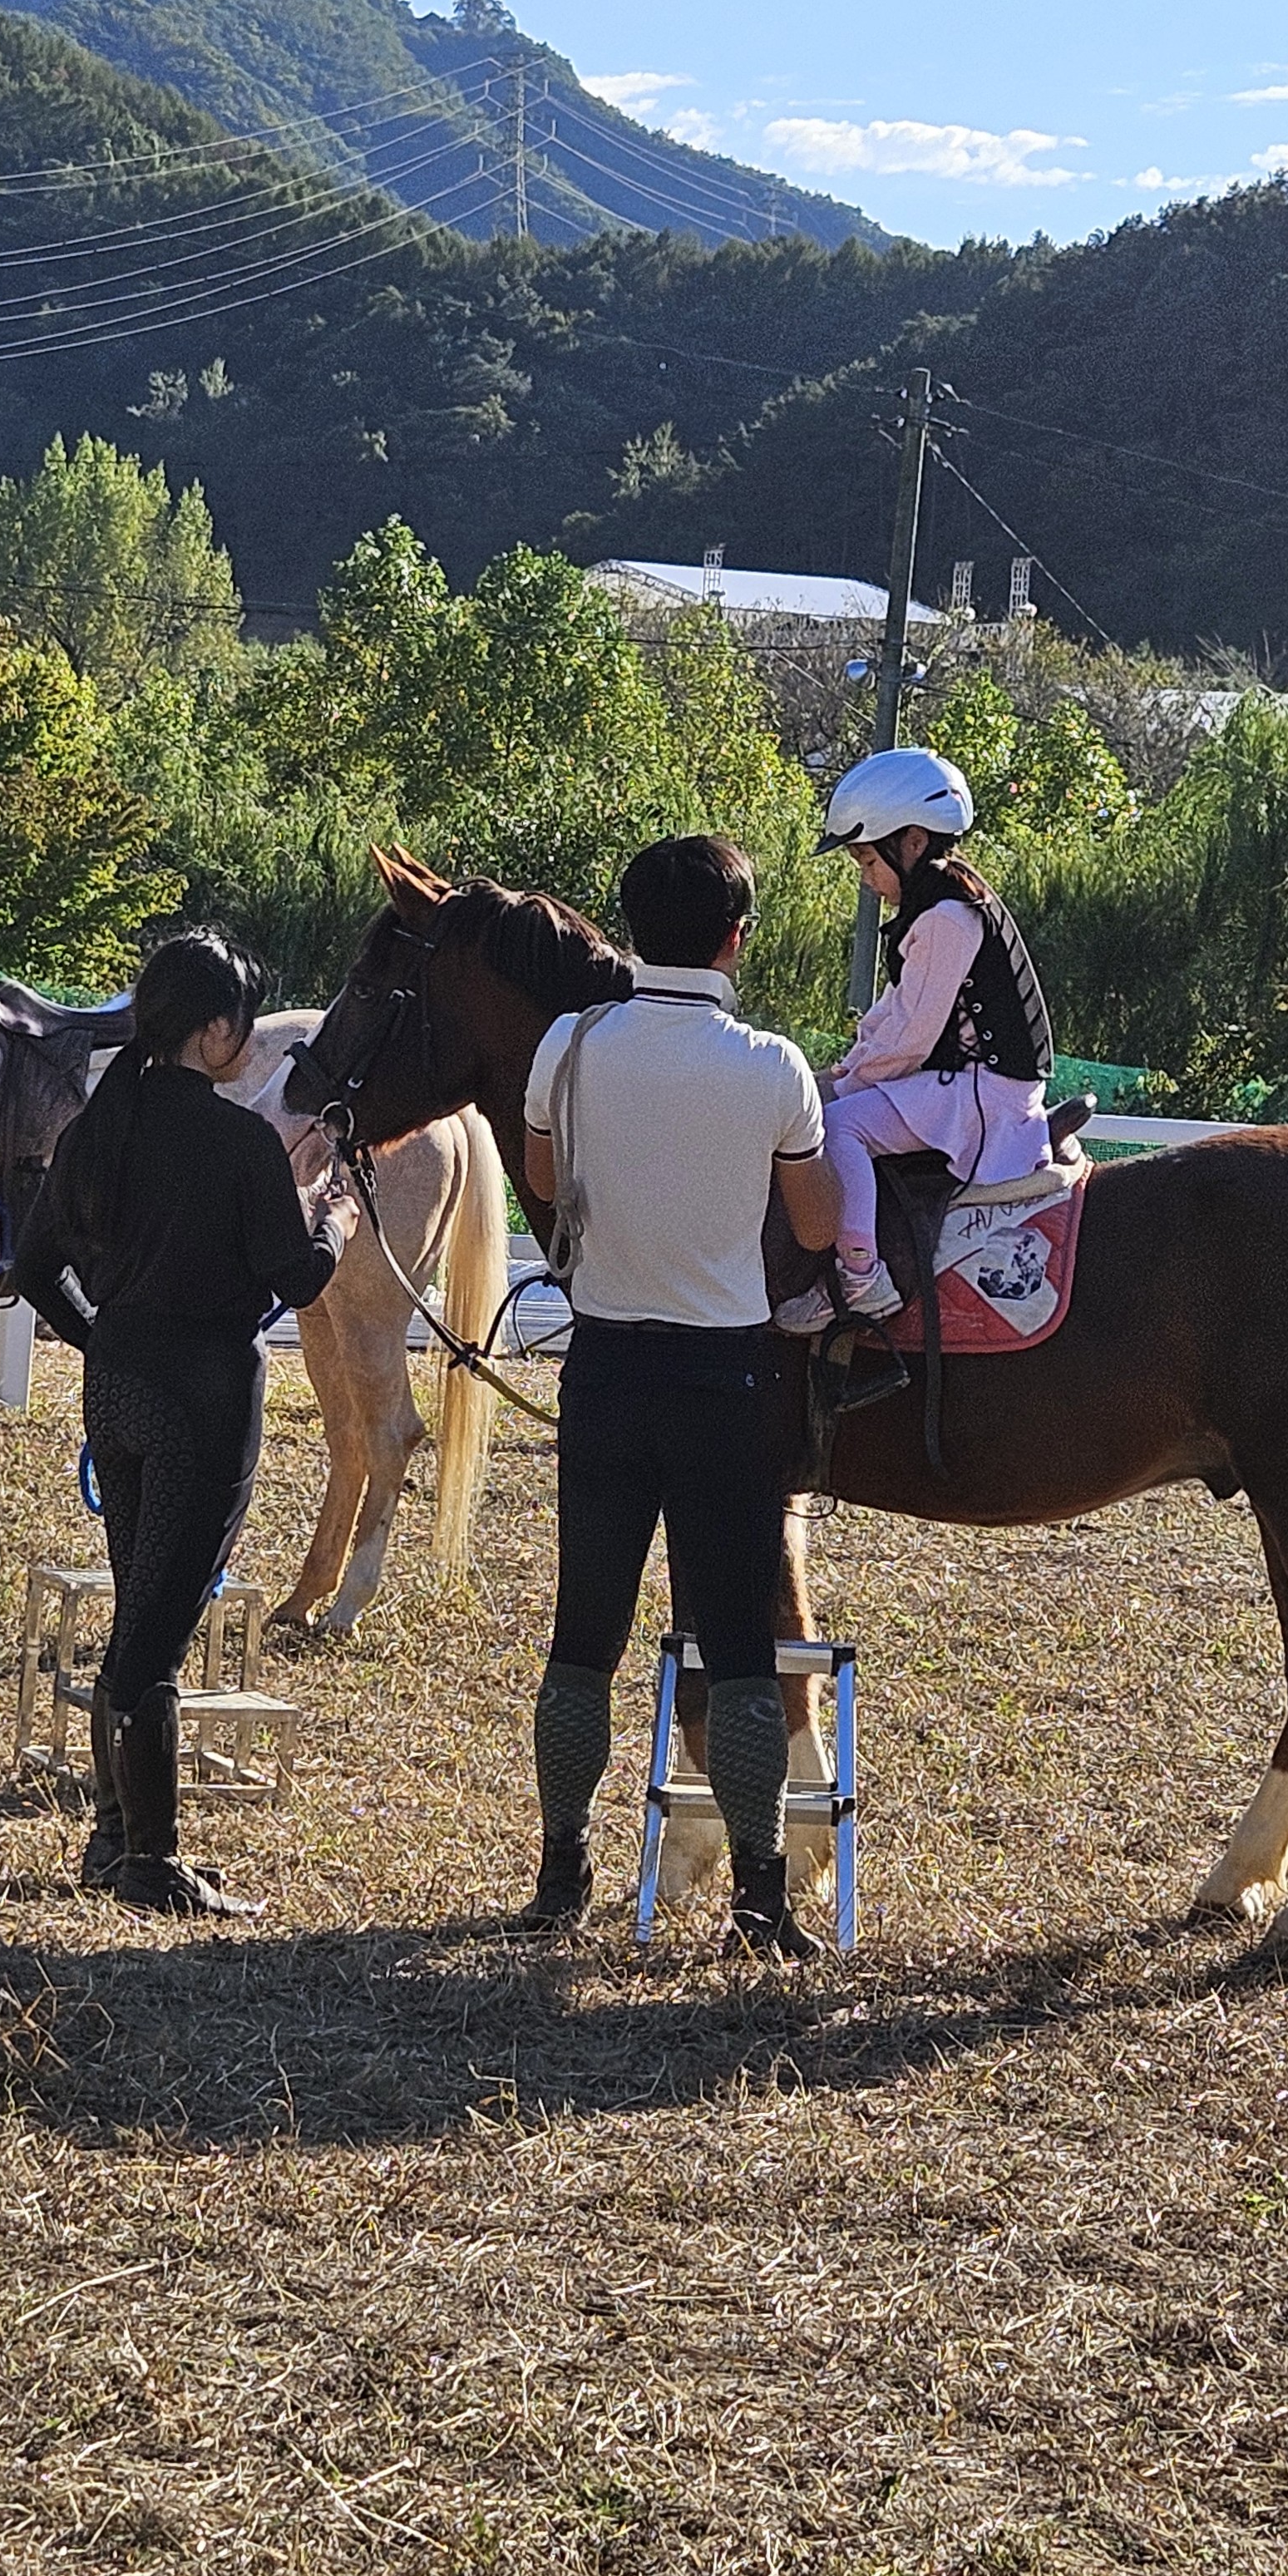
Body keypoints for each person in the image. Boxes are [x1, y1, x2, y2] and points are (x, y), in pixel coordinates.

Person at [517, 833, 836, 1958]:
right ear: (735, 937)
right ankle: (759, 1894)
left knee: (582, 1637)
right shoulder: (772, 1066)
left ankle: (561, 1867)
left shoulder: (567, 1044)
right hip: (721, 1378)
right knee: (738, 1646)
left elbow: (544, 1181)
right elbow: (814, 1225)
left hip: (605, 1368)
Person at [15, 929, 358, 1920]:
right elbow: (293, 1276)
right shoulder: (235, 1139)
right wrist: (331, 1217)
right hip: (203, 1396)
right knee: (155, 1639)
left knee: (140, 1606)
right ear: (212, 1029)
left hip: (118, 1383)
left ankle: (113, 1834)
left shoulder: (97, 1126)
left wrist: (104, 1337)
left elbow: (33, 1267)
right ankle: (151, 1858)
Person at [816, 748, 1056, 1320]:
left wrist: (843, 1092)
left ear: (914, 841)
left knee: (840, 1127)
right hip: (968, 1084)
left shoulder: (947, 917)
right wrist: (842, 1071)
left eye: (867, 860)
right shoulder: (937, 905)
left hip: (984, 1094)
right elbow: (893, 1014)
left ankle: (860, 1276)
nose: (866, 879)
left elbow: (911, 1040)